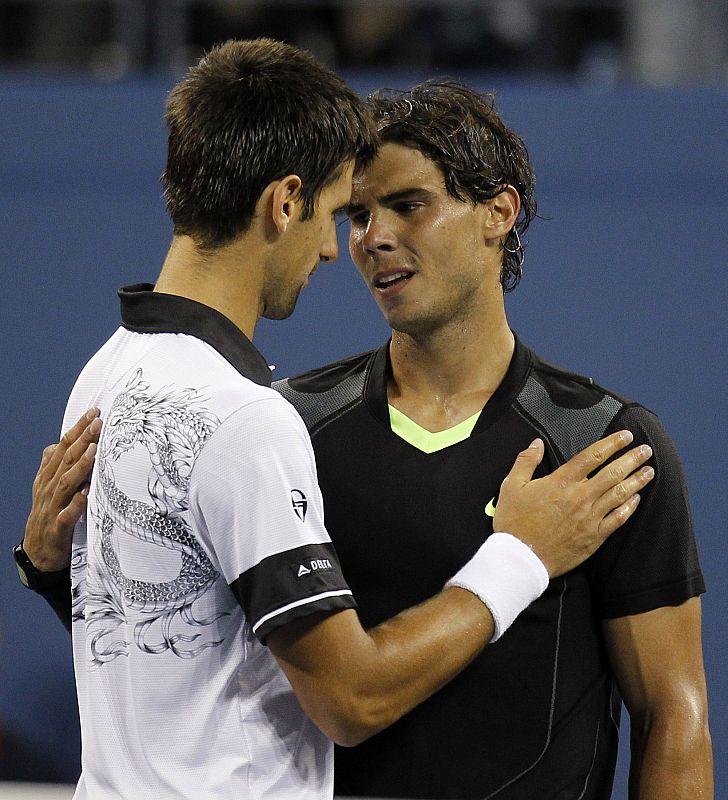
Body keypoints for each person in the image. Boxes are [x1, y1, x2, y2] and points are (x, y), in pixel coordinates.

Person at [15, 46, 655, 800]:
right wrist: (520, 554)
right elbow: (351, 700)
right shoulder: (247, 420)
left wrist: (49, 570)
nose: (336, 248)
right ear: (284, 202)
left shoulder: (106, 373)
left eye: (401, 207)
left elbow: (166, 636)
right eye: (337, 213)